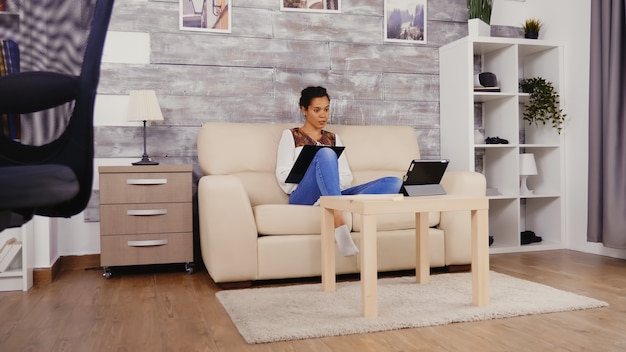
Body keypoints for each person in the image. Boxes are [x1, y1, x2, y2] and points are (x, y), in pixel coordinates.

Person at [275, 86, 403, 257]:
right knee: (325, 153)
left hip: (333, 193)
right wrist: (315, 170)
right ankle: (339, 222)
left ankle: (331, 201)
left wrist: (328, 181)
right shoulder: (290, 135)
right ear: (304, 110)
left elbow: (346, 177)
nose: (323, 115)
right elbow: (283, 177)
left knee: (394, 182)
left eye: (327, 109)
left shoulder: (334, 138)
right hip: (304, 196)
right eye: (317, 110)